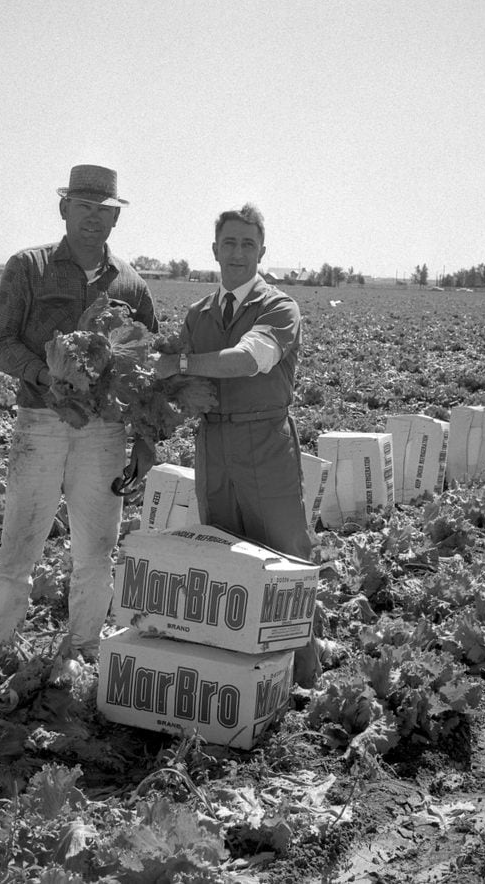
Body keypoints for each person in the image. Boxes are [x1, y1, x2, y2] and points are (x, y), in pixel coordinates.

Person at [0, 164, 158, 681]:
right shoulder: (29, 267)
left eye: (104, 211)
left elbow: (150, 367)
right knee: (20, 540)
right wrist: (47, 375)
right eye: (83, 207)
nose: (93, 218)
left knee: (97, 548)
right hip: (40, 421)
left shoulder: (132, 284)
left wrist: (146, 438)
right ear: (64, 209)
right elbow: (0, 342)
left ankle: (83, 650)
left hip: (104, 432)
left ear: (116, 219)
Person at [154, 203, 319, 685]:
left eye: (249, 244)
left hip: (264, 441)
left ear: (262, 252)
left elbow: (249, 359)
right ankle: (241, 677)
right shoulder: (198, 314)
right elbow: (171, 384)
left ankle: (304, 677)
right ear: (215, 249)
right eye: (230, 242)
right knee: (224, 555)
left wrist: (182, 366)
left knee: (285, 557)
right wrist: (180, 389)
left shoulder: (279, 307)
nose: (238, 252)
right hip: (213, 443)